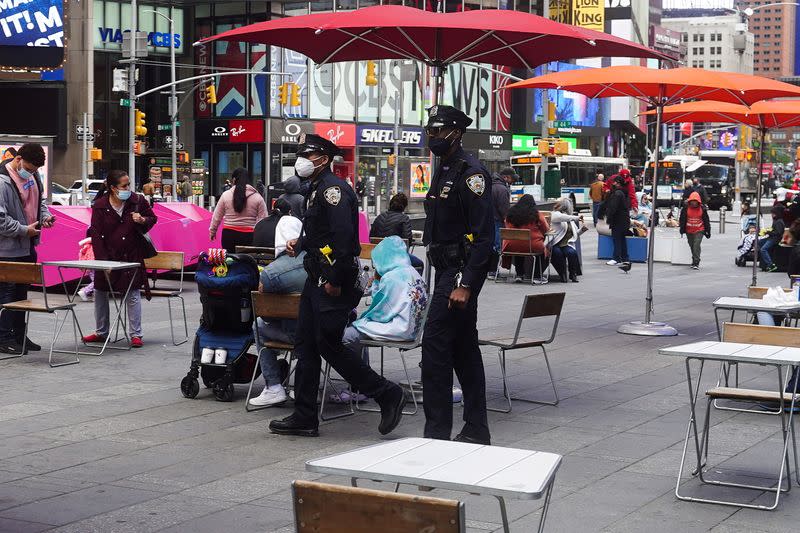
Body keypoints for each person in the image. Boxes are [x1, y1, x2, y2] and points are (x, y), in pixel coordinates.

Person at [268, 134, 405, 438]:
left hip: (331, 281)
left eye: (308, 154)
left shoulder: (333, 190)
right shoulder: (317, 188)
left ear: (323, 159)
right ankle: (304, 416)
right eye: (301, 153)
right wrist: (299, 243)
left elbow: (344, 240)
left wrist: (334, 280)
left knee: (327, 345)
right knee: (305, 346)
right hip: (316, 277)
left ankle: (386, 393)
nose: (302, 159)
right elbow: (320, 231)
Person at [422, 105, 493, 445]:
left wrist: (466, 284)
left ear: (457, 132)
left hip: (456, 275)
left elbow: (484, 238)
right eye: (430, 131)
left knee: (434, 353)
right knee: (464, 352)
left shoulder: (471, 173)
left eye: (439, 131)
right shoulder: (444, 168)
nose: (433, 137)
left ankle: (435, 435)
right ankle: (476, 429)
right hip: (444, 270)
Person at [83, 170, 157, 348]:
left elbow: (153, 218)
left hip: (131, 254)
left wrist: (142, 220)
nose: (128, 189)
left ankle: (136, 334)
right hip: (107, 256)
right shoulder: (100, 205)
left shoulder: (137, 200)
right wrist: (103, 262)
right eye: (124, 186)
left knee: (132, 293)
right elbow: (96, 234)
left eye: (129, 185)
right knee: (100, 292)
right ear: (112, 188)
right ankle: (101, 332)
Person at [0, 143, 55, 355]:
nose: (31, 173)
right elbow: (1, 220)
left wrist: (45, 217)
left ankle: (19, 336)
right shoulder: (3, 181)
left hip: (28, 245)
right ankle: (4, 337)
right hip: (7, 249)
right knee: (7, 293)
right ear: (18, 158)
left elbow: (39, 202)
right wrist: (24, 230)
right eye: (29, 168)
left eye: (35, 170)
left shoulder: (33, 176)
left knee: (22, 293)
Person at [341, 235, 428, 367]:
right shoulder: (411, 271)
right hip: (412, 328)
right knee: (357, 329)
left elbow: (379, 312)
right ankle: (363, 379)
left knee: (348, 336)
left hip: (400, 328)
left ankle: (362, 379)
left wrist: (376, 281)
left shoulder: (391, 277)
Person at [249, 216, 307, 407]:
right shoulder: (319, 259)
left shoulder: (271, 273)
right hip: (323, 333)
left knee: (258, 325)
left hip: (293, 335)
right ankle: (356, 388)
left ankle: (273, 386)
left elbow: (265, 313)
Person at [209, 167, 267, 253]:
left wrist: (213, 231)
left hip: (228, 236)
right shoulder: (257, 197)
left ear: (234, 180)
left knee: (229, 262)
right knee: (247, 262)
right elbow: (263, 220)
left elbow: (217, 216)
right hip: (249, 237)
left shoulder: (226, 195)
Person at [502, 194, 549, 281]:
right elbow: (545, 228)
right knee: (544, 251)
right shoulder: (536, 214)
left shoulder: (510, 213)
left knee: (518, 246)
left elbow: (507, 225)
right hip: (532, 245)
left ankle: (519, 274)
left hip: (511, 245)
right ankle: (537, 276)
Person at [370, 193, 422, 270]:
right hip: (396, 258)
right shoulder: (404, 218)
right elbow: (407, 241)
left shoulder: (379, 217)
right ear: (404, 206)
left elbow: (371, 237)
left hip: (379, 258)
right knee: (420, 264)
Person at [548, 199, 583, 283]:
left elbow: (575, 234)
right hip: (555, 242)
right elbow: (561, 218)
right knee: (557, 253)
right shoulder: (555, 214)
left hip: (566, 244)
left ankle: (573, 274)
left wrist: (582, 230)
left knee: (572, 253)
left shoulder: (570, 219)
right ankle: (562, 274)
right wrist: (576, 218)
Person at [600, 174, 631, 268]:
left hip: (618, 220)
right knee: (622, 239)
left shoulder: (617, 194)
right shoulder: (624, 193)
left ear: (618, 183)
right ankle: (625, 259)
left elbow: (613, 207)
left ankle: (616, 258)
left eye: (614, 182)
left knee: (617, 239)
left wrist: (608, 217)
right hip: (624, 220)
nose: (612, 183)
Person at [488, 168, 513, 278]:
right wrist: (506, 219)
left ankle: (487, 270)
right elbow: (504, 208)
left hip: (486, 220)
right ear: (506, 177)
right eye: (511, 179)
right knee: (496, 246)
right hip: (496, 220)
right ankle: (492, 271)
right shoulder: (502, 189)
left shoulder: (489, 185)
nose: (511, 182)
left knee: (488, 245)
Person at [679, 191, 711, 270]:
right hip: (689, 230)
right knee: (692, 246)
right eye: (692, 201)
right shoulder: (686, 208)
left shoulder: (702, 209)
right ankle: (694, 259)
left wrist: (708, 231)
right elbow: (682, 219)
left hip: (699, 230)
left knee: (696, 245)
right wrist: (681, 228)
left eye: (695, 201)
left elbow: (706, 220)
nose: (694, 203)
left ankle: (696, 261)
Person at [759, 204, 787, 272]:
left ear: (776, 214)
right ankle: (765, 262)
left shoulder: (779, 222)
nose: (772, 215)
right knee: (760, 242)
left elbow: (778, 233)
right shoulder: (776, 220)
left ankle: (770, 265)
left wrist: (768, 232)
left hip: (775, 239)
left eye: (773, 213)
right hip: (772, 237)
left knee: (763, 249)